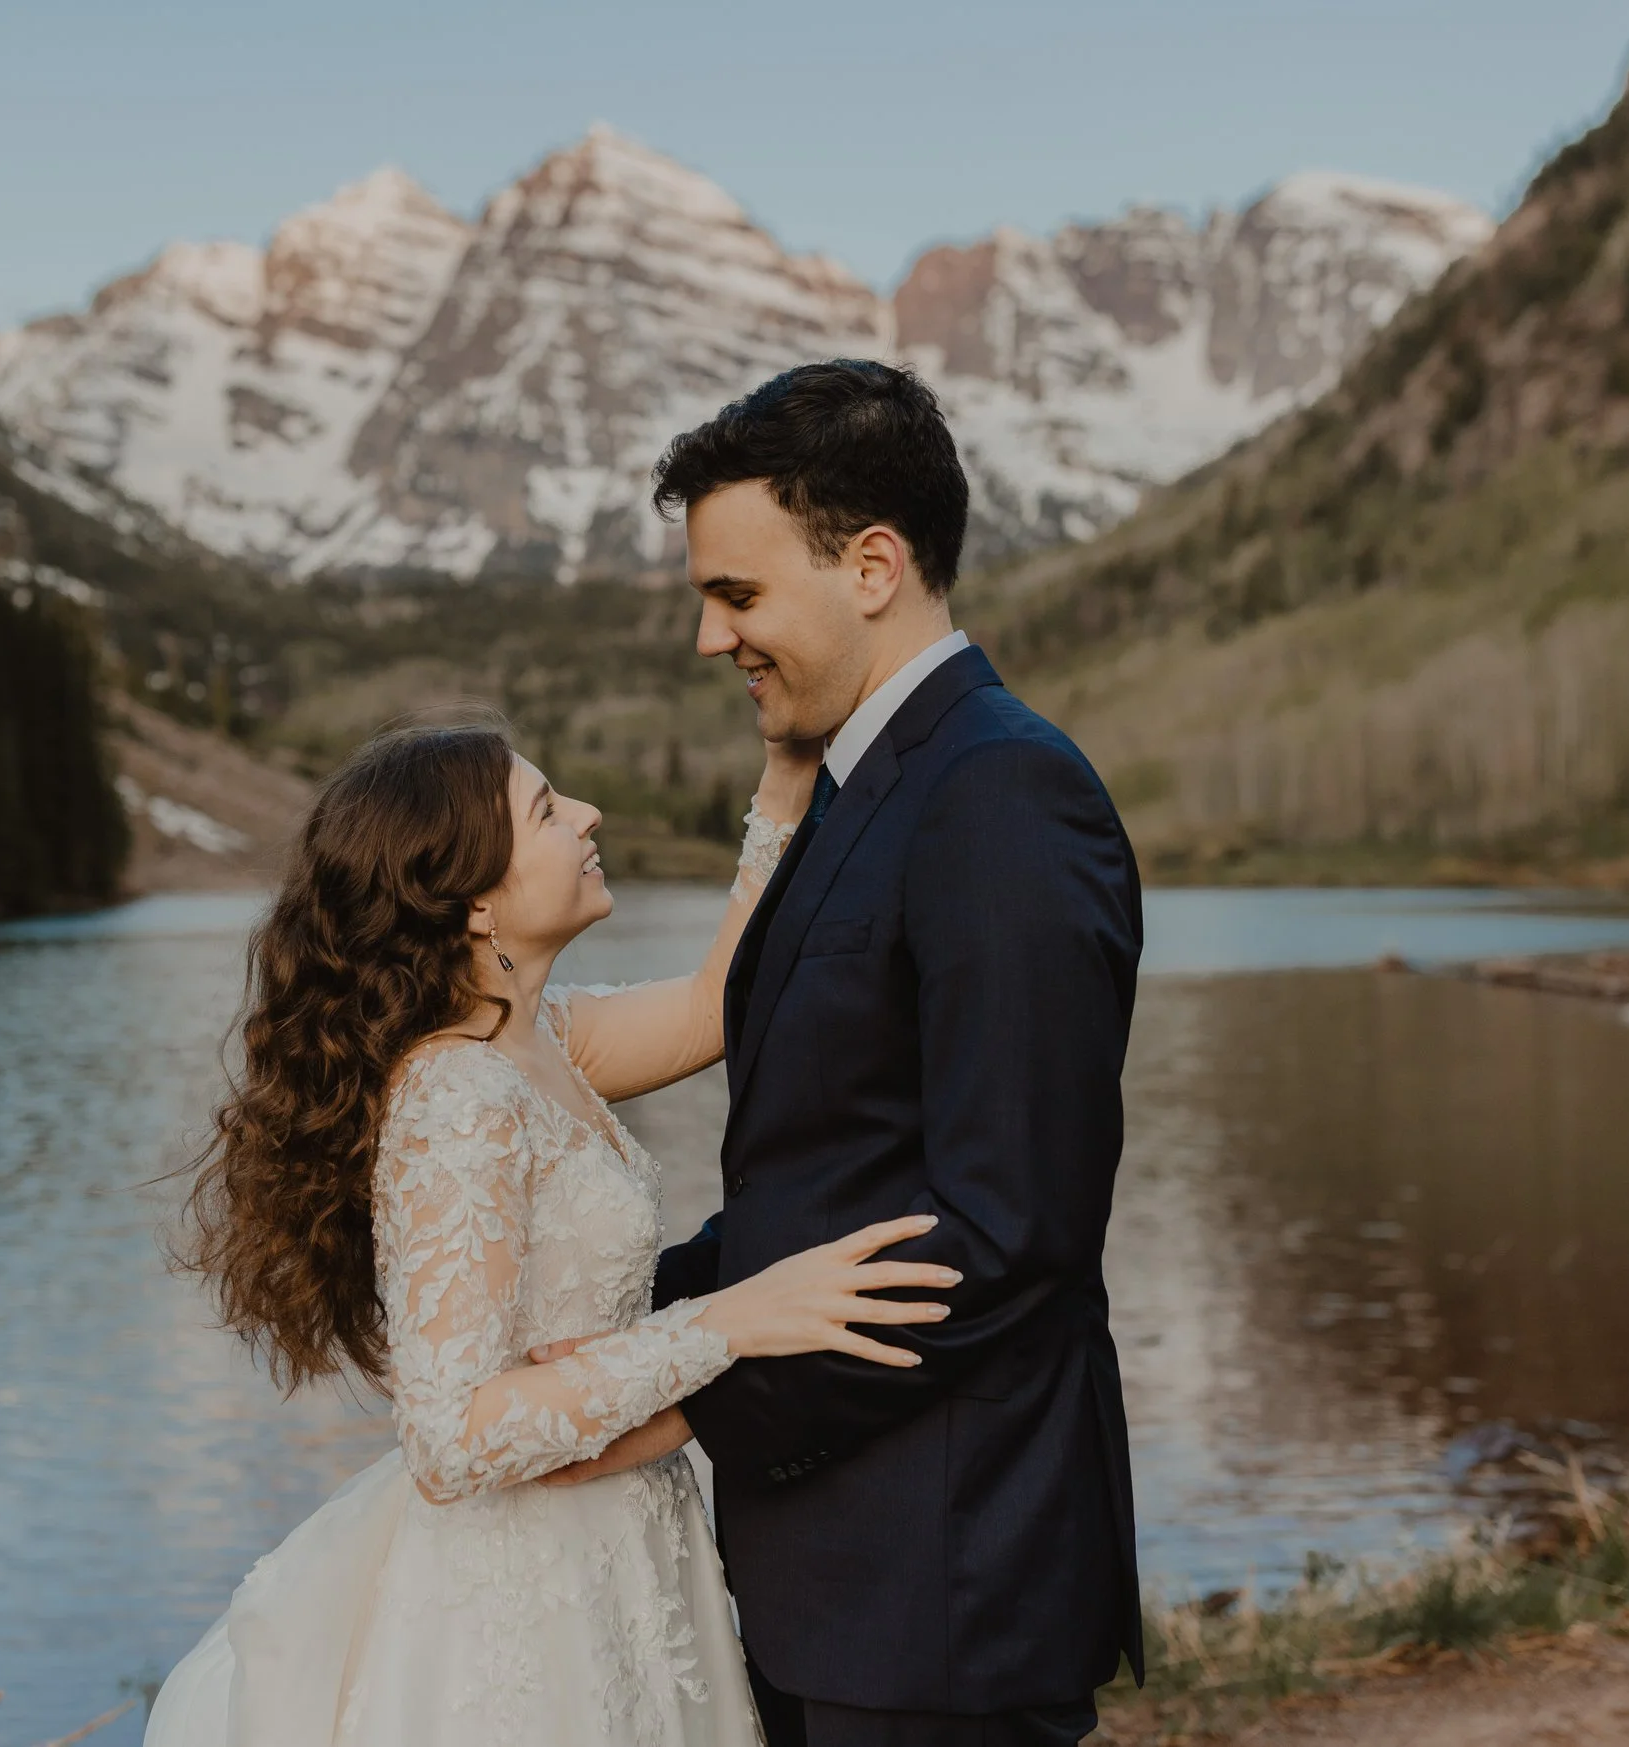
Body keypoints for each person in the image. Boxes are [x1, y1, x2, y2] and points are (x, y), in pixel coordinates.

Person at [143, 715, 959, 1747]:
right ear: (474, 897)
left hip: (625, 1533)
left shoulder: (540, 1039)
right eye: (544, 807)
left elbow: (719, 1002)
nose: (587, 814)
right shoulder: (456, 1092)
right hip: (527, 1586)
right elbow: (449, 1437)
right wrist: (728, 1323)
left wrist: (784, 782)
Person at [542, 360, 1146, 1746]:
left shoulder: (999, 791)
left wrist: (695, 1393)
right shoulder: (865, 784)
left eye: (736, 594)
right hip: (846, 1572)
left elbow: (1008, 1227)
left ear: (873, 564)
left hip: (943, 1575)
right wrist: (604, 1322)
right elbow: (830, 1173)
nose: (711, 638)